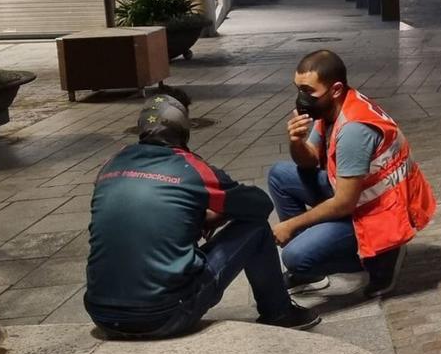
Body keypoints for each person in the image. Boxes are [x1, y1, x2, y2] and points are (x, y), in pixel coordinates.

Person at [84, 88, 319, 339]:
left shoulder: (111, 163)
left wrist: (195, 217)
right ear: (183, 129)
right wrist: (217, 215)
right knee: (257, 228)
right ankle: (279, 312)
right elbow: (259, 205)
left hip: (101, 315)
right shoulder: (191, 168)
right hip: (163, 316)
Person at [268, 50, 436, 297]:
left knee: (295, 257)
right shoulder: (335, 105)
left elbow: (344, 204)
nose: (301, 98)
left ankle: (380, 259)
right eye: (298, 89)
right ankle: (313, 270)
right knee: (279, 175)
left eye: (308, 91)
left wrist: (291, 226)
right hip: (361, 196)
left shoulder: (353, 130)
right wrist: (296, 141)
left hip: (381, 211)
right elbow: (310, 160)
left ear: (334, 89)